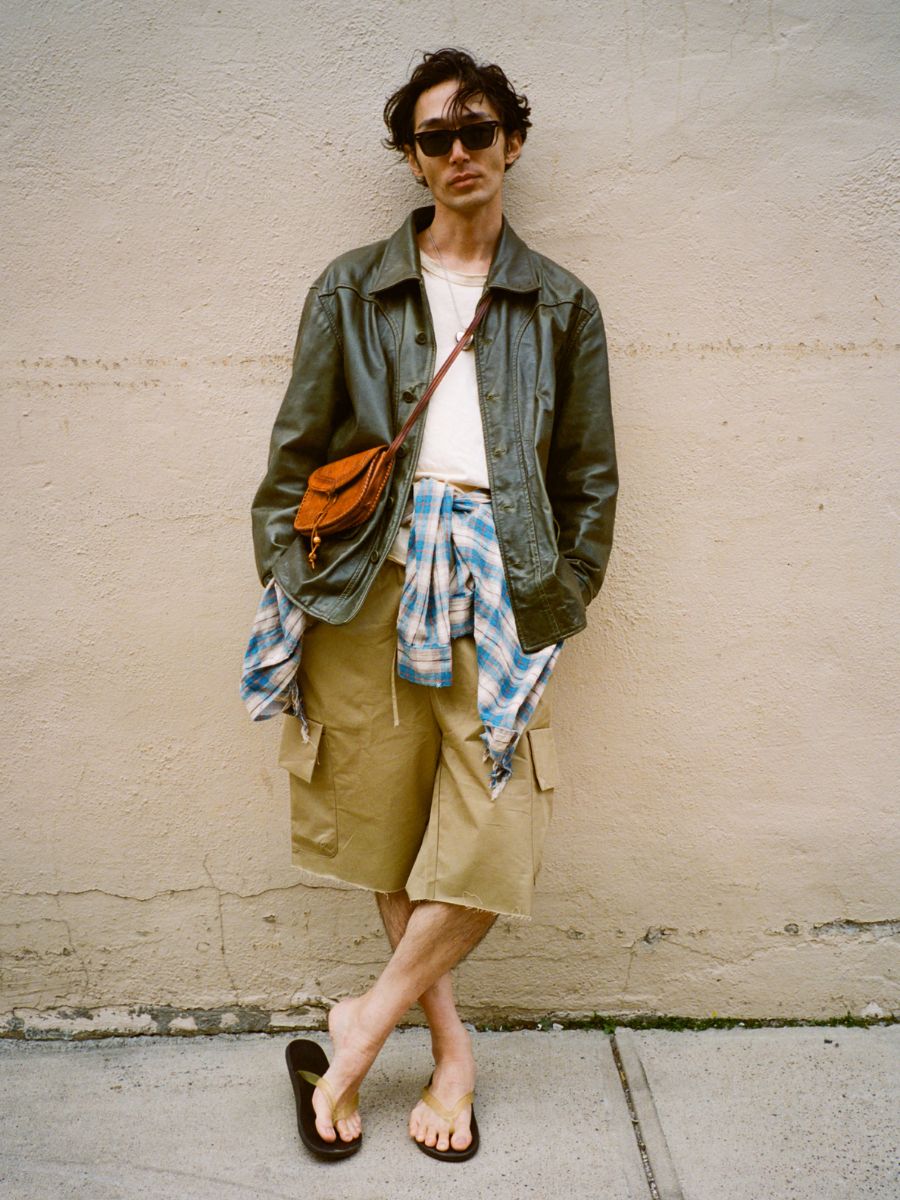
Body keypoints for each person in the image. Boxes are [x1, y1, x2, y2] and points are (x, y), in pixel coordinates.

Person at [246, 47, 618, 1162]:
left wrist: (564, 593)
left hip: (503, 583)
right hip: (372, 581)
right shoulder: (352, 287)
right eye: (434, 137)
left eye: (477, 130)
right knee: (386, 831)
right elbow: (292, 457)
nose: (458, 152)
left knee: (493, 839)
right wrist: (297, 578)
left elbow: (589, 480)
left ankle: (356, 1032)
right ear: (411, 157)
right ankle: (449, 1055)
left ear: (512, 139)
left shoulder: (560, 303)